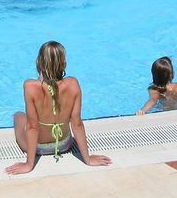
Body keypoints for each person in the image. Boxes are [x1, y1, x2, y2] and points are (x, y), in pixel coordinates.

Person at [6, 40, 110, 174]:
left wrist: (29, 164)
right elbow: (77, 123)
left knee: (19, 116)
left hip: (38, 148)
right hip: (64, 145)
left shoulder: (30, 86)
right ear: (64, 63)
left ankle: (16, 117)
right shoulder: (73, 83)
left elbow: (33, 126)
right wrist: (88, 159)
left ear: (39, 62)